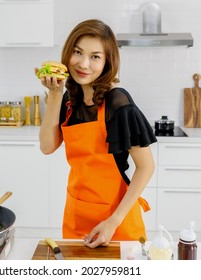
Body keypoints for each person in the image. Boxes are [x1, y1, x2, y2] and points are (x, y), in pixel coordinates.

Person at [36, 19, 157, 248]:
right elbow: (47, 146)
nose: (83, 63)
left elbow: (146, 166)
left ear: (107, 62)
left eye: (95, 56)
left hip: (116, 220)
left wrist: (113, 221)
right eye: (78, 52)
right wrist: (54, 94)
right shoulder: (68, 99)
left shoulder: (117, 101)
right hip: (77, 214)